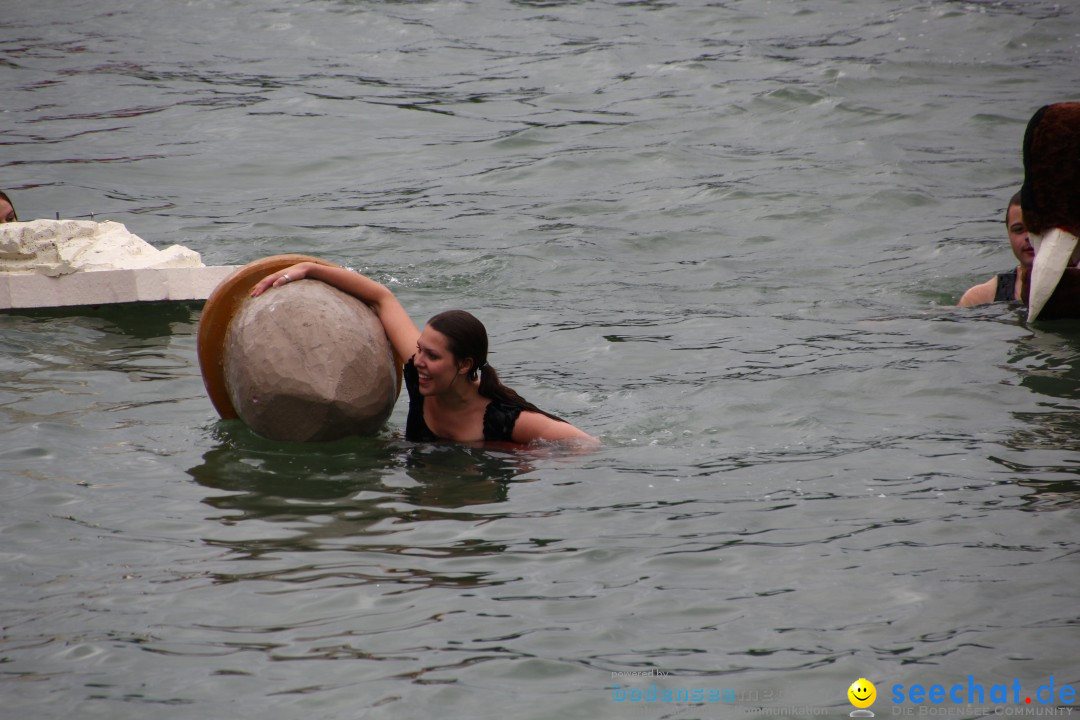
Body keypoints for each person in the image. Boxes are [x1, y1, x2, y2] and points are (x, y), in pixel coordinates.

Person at [250, 262, 597, 446]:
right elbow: (381, 298)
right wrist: (309, 269)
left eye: (432, 355)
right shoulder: (421, 375)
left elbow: (587, 445)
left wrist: (522, 461)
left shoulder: (507, 420)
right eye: (419, 350)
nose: (418, 362)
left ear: (464, 365)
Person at [958, 192, 1031, 306]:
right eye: (1018, 229)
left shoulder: (1069, 288)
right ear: (1008, 234)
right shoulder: (981, 298)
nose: (1028, 237)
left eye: (1036, 228)